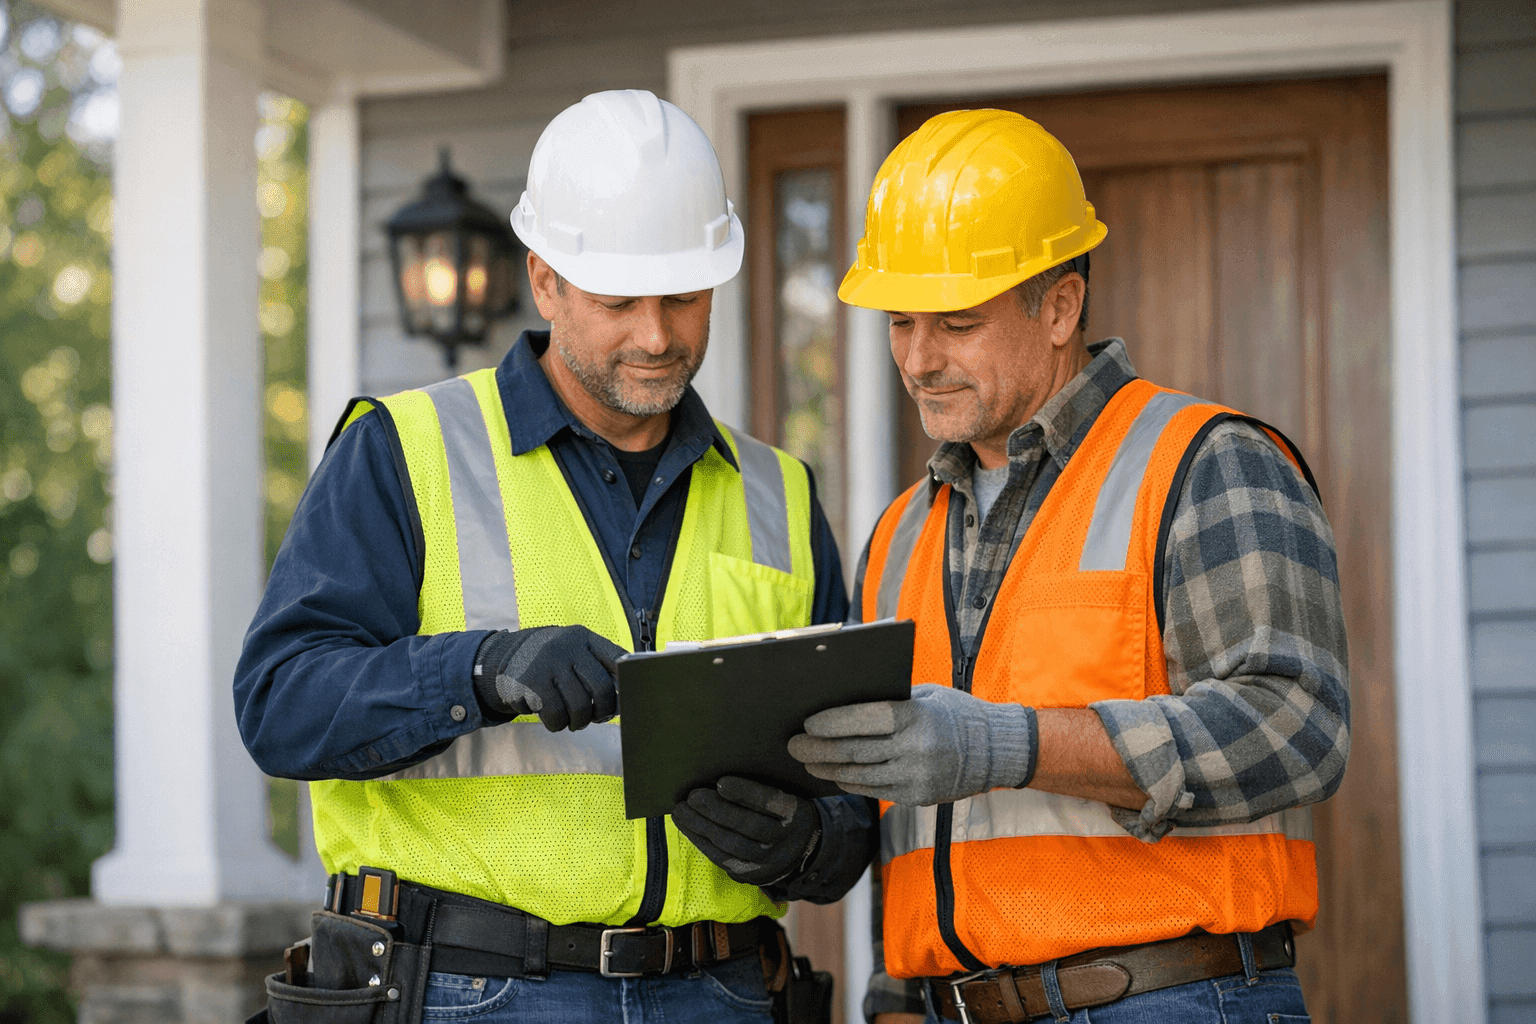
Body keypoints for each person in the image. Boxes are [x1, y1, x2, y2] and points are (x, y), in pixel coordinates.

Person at [234, 89, 872, 1024]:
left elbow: (856, 774)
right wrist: (481, 667)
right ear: (545, 281)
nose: (657, 335)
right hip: (473, 989)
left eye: (685, 298)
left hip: (726, 991)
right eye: (619, 300)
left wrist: (811, 843)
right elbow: (280, 704)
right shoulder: (406, 451)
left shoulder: (779, 493)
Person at [787, 109, 1350, 1024]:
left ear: (1059, 306)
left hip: (1171, 997)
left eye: (957, 322)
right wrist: (896, 997)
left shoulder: (1203, 461)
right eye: (900, 323)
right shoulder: (896, 536)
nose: (919, 360)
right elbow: (916, 826)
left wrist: (1008, 745)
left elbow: (1296, 725)